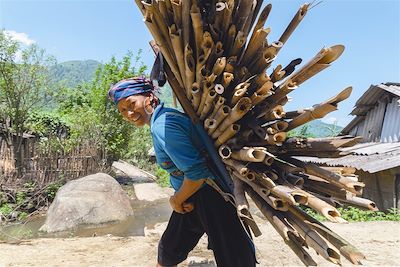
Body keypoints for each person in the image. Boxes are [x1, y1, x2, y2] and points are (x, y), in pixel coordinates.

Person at [108, 77, 256, 267]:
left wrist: (176, 200)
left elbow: (197, 174)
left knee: (234, 259)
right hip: (193, 197)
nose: (129, 113)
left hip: (211, 196)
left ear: (149, 98)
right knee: (168, 250)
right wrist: (180, 199)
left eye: (131, 104)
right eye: (122, 110)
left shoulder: (163, 125)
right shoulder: (162, 121)